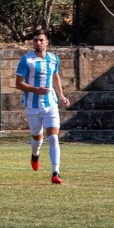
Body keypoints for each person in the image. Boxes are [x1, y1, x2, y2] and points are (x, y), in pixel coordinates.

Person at [15, 29, 70, 184]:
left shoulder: (54, 59)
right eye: (35, 40)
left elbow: (55, 76)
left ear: (47, 42)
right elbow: (18, 84)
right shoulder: (26, 60)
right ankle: (35, 154)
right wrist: (36, 89)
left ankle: (55, 173)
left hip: (50, 104)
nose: (38, 43)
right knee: (37, 138)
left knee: (53, 138)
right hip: (32, 106)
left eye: (41, 40)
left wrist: (61, 96)